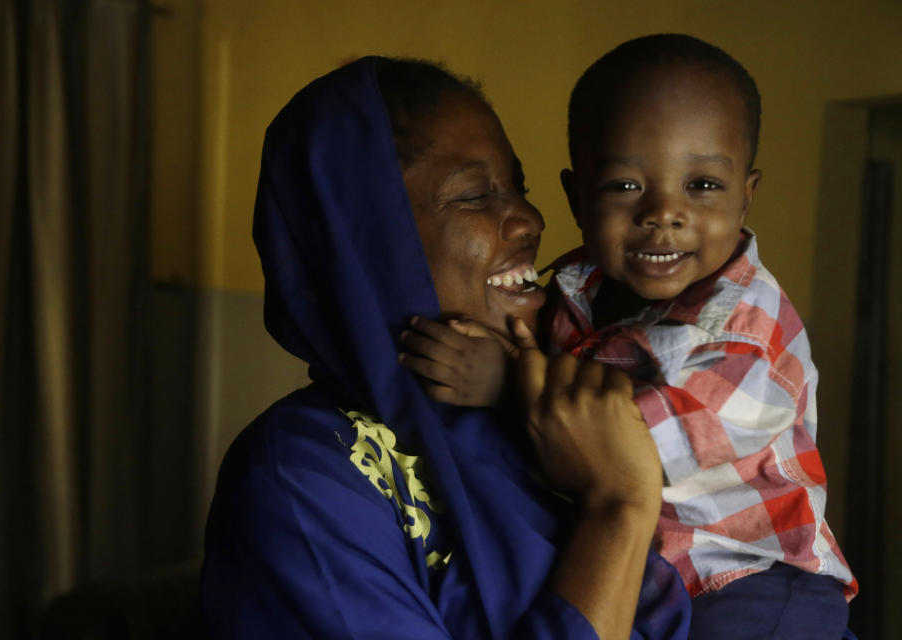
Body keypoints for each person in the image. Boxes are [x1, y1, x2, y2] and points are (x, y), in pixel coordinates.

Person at [200, 56, 692, 639]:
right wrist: (621, 506)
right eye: (475, 196)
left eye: (519, 188)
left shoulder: (540, 424)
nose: (532, 219)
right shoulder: (301, 475)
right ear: (368, 243)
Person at [401, 35, 858, 638]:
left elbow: (621, 441)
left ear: (746, 197)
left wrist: (507, 380)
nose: (664, 213)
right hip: (661, 575)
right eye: (624, 186)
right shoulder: (576, 287)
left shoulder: (746, 331)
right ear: (576, 196)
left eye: (703, 186)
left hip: (756, 585)